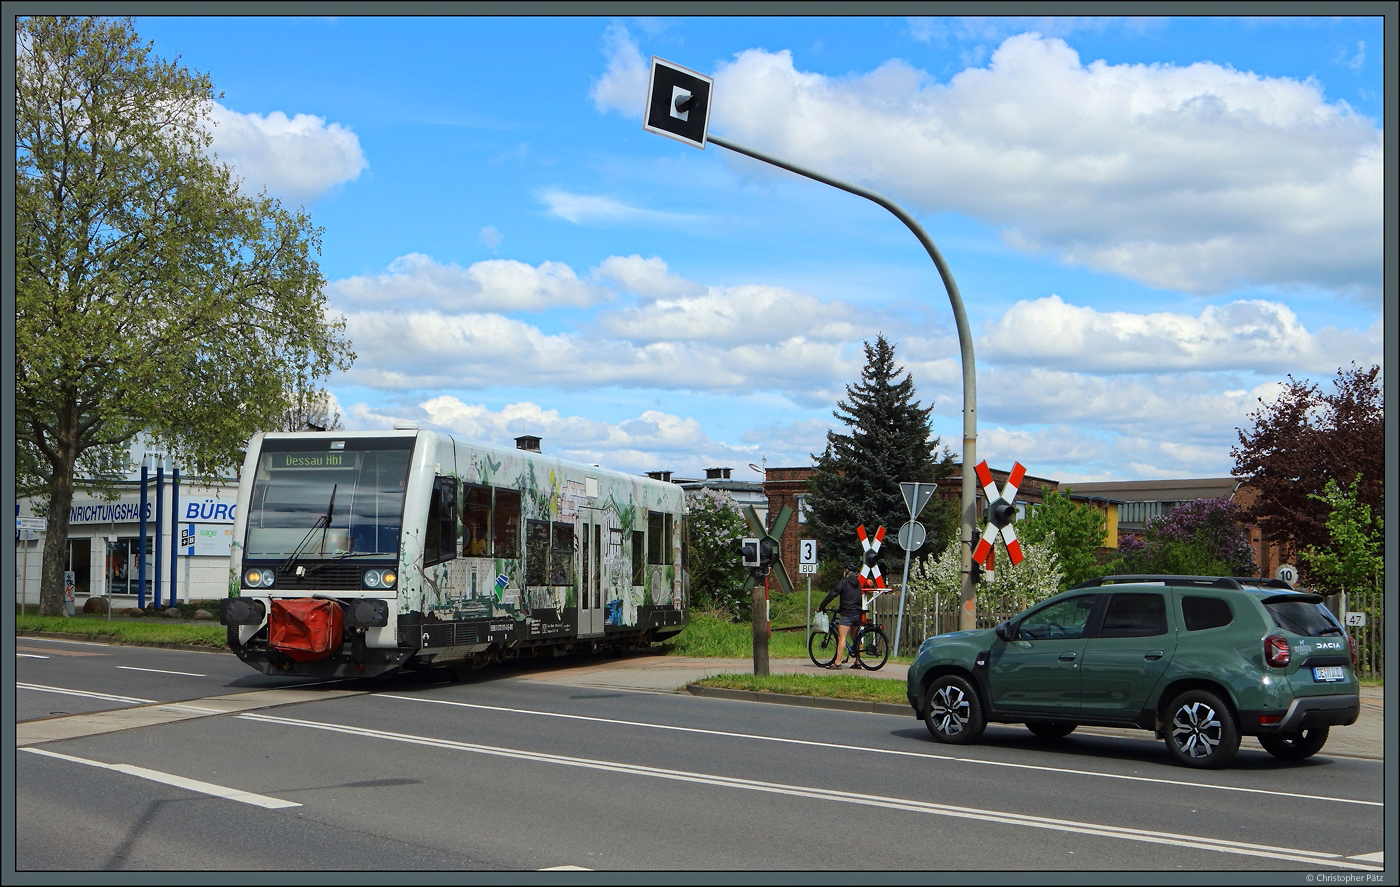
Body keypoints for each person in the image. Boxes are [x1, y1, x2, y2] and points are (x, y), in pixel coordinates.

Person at [818, 564, 864, 669]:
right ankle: (857, 662)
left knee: (841, 637)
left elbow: (832, 594)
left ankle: (837, 663)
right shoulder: (858, 584)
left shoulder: (843, 583)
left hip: (847, 613)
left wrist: (821, 606)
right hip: (857, 612)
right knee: (855, 638)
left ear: (847, 572)